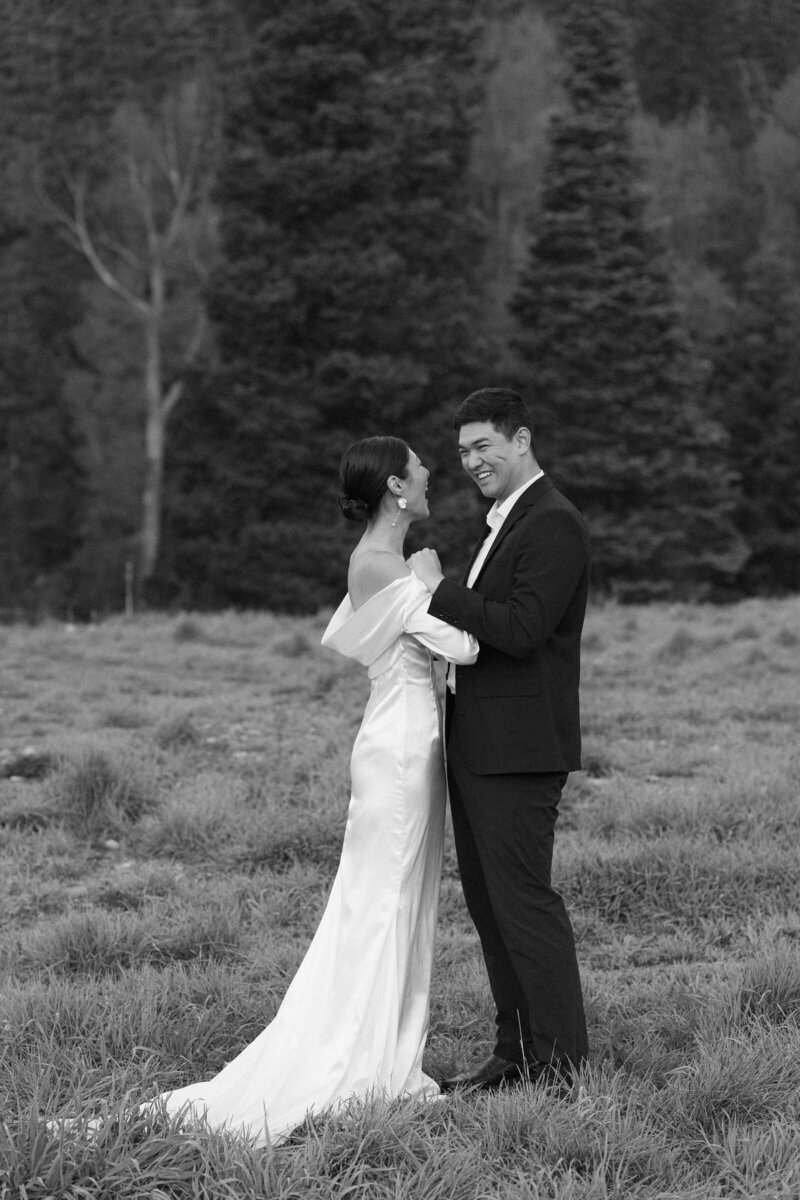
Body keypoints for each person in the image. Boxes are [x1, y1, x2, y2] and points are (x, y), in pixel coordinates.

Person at [149, 436, 478, 1144]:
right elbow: (465, 646)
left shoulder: (373, 562)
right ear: (396, 486)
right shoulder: (388, 564)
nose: (430, 478)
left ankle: (389, 1058)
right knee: (385, 903)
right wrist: (439, 577)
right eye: (420, 470)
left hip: (400, 742)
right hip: (398, 753)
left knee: (394, 901)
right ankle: (364, 1066)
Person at [407, 387, 590, 1090]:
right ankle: (515, 1053)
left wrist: (439, 589)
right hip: (480, 744)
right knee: (490, 905)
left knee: (523, 903)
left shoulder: (553, 523)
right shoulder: (505, 521)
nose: (472, 460)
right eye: (462, 451)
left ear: (521, 440)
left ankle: (563, 1066)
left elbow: (520, 628)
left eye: (484, 445)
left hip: (520, 750)